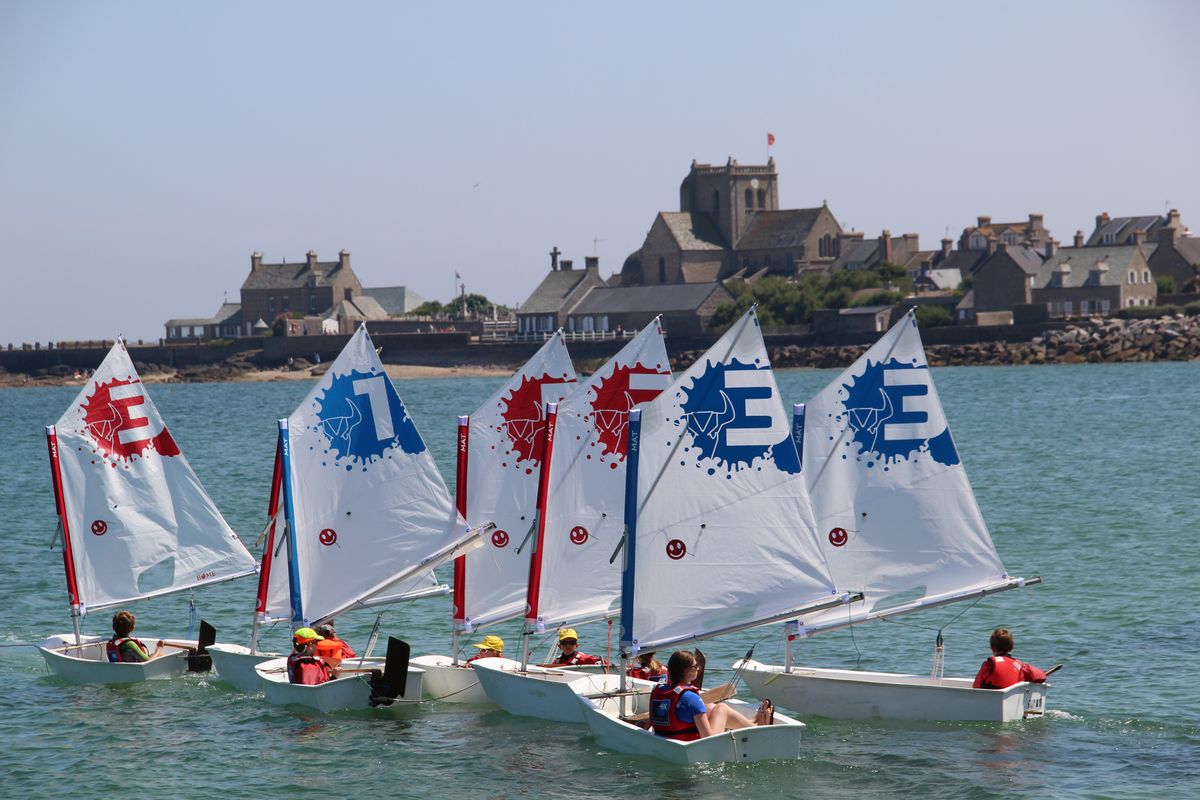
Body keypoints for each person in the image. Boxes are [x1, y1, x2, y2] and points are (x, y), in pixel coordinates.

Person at [650, 650, 772, 740]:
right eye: (695, 666)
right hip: (695, 747)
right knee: (721, 708)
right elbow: (708, 739)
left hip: (668, 741)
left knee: (709, 707)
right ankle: (756, 727)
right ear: (688, 671)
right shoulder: (691, 698)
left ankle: (752, 722)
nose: (698, 669)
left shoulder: (658, 691)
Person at [973, 628, 1048, 689]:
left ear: (992, 648)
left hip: (990, 700)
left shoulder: (988, 665)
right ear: (1011, 647)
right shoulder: (1021, 666)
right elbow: (1041, 676)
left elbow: (976, 687)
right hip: (1012, 700)